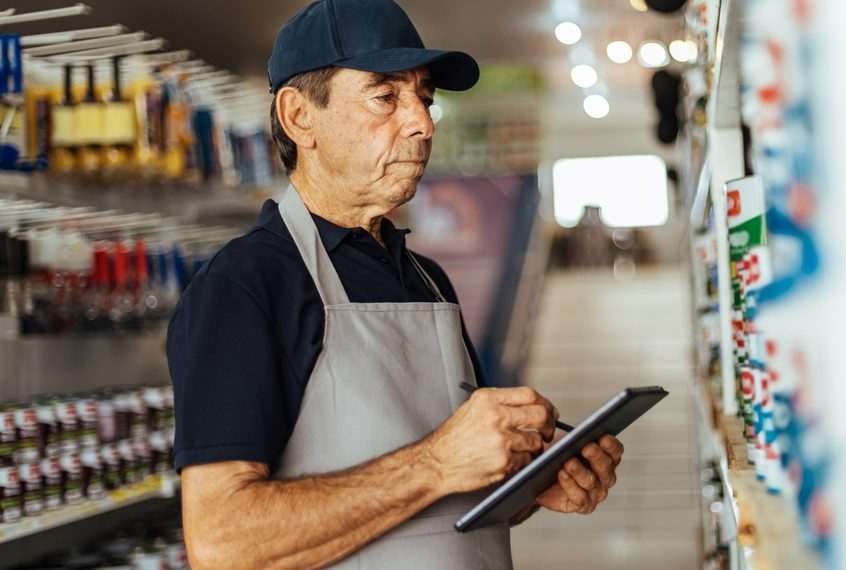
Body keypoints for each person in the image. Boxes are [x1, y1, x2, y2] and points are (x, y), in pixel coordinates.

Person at [167, 1, 625, 568]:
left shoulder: (428, 280)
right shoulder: (245, 286)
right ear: (298, 116)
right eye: (386, 97)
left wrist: (528, 485)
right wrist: (434, 464)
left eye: (425, 99)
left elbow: (448, 496)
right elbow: (222, 543)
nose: (423, 123)